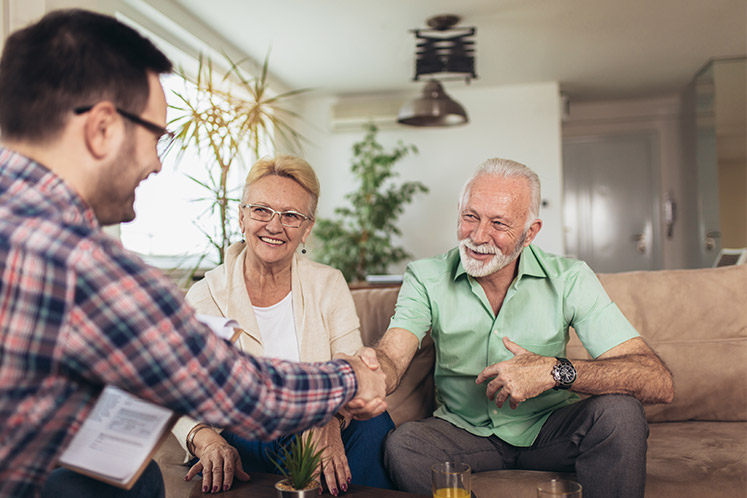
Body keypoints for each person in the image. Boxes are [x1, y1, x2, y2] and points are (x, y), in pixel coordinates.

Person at [0, 9, 386, 498]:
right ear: (100, 129)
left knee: (132, 480)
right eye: (155, 136)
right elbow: (246, 392)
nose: (157, 163)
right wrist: (350, 377)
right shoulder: (78, 263)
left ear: (307, 225)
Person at [360, 158, 674, 498]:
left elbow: (657, 380)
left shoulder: (570, 278)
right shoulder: (425, 276)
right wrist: (372, 374)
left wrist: (554, 371)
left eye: (499, 223)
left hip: (550, 431)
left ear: (530, 232)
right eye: (470, 216)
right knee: (404, 445)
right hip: (463, 433)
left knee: (621, 413)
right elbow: (394, 352)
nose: (478, 236)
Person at [173, 155, 394, 494]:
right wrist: (205, 440)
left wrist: (330, 420)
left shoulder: (329, 285)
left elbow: (353, 373)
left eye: (291, 216)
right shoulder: (205, 296)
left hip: (313, 426)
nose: (274, 226)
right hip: (244, 437)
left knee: (374, 423)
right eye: (262, 210)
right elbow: (175, 391)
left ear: (307, 228)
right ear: (242, 216)